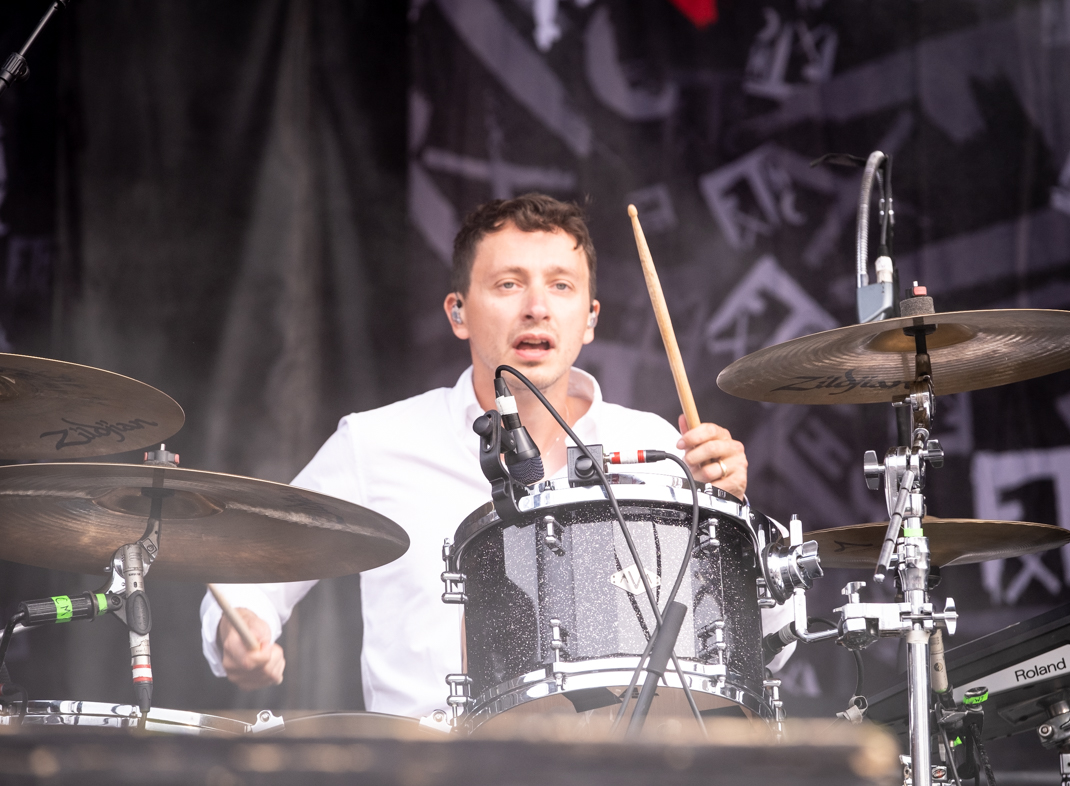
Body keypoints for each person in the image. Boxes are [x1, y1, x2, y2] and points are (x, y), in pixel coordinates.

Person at [200, 193, 793, 718]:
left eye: (561, 285)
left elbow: (770, 647)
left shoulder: (661, 450)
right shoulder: (376, 443)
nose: (537, 307)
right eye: (509, 284)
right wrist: (239, 628)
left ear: (589, 320)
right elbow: (253, 568)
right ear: (458, 312)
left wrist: (735, 524)